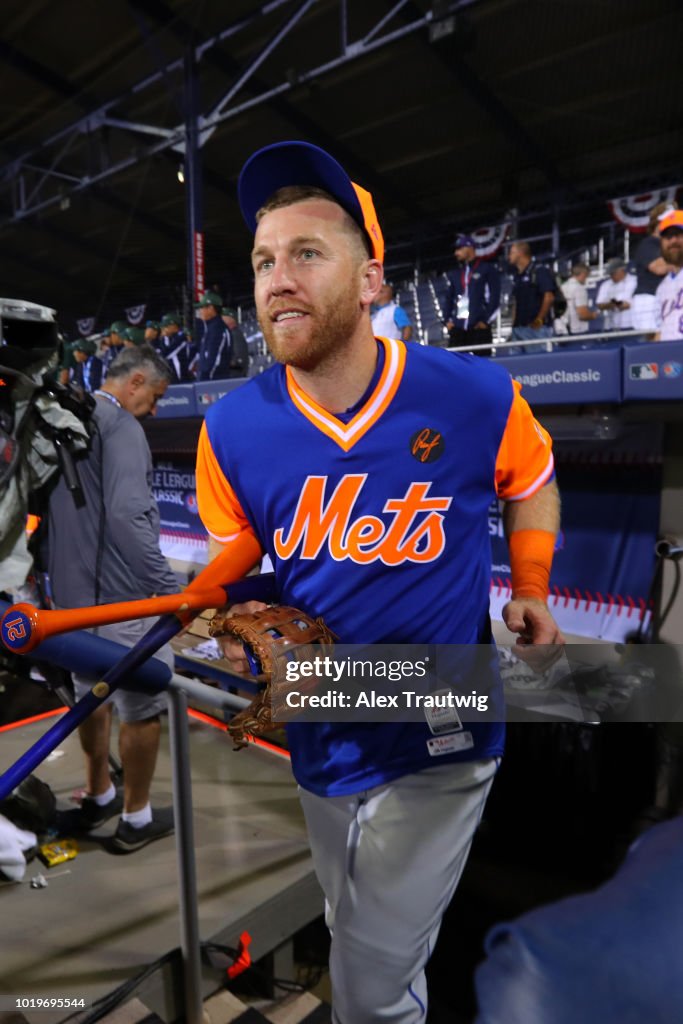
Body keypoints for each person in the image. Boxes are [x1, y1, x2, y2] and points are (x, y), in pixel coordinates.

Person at [194, 140, 564, 1024]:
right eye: (262, 260)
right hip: (322, 712)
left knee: (365, 983)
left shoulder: (471, 394)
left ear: (369, 282)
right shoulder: (233, 429)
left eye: (307, 254)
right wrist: (223, 618)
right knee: (354, 928)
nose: (278, 277)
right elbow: (232, 563)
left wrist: (535, 583)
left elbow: (534, 480)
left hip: (440, 709)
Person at [48, 345, 177, 853]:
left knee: (90, 701)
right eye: (155, 398)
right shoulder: (120, 425)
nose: (155, 410)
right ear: (136, 381)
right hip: (124, 605)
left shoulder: (66, 420)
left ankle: (100, 793)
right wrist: (169, 591)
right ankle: (136, 818)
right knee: (140, 709)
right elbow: (127, 515)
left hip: (71, 606)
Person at [443, 235, 501, 355]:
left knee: (482, 366)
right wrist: (447, 320)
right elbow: (448, 298)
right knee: (455, 366)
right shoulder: (455, 273)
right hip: (458, 328)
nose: (456, 253)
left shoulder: (487, 269)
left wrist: (485, 321)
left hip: (478, 327)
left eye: (459, 249)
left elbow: (495, 297)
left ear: (469, 248)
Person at [631, 201, 677, 336]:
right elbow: (659, 268)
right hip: (648, 300)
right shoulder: (649, 243)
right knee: (652, 348)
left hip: (666, 299)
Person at [508, 242, 556, 352]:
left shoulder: (539, 271)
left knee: (538, 366)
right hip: (518, 329)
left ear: (520, 253)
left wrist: (539, 320)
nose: (509, 256)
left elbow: (549, 297)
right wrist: (513, 326)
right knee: (516, 366)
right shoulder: (517, 276)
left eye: (511, 253)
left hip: (536, 329)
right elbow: (516, 302)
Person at [655, 209, 683, 341]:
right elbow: (661, 330)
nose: (673, 241)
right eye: (668, 237)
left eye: (678, 234)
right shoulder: (662, 287)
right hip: (669, 355)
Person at [195, 290, 232, 380]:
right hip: (210, 383)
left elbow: (215, 361)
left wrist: (205, 383)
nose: (200, 311)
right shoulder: (211, 327)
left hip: (214, 384)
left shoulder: (218, 328)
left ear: (211, 308)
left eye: (202, 308)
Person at [595, 258, 637, 331]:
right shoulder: (606, 284)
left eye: (613, 273)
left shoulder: (634, 281)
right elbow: (600, 304)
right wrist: (614, 303)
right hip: (611, 326)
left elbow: (626, 305)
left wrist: (612, 303)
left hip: (630, 324)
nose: (611, 276)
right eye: (610, 274)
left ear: (621, 270)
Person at [560, 263, 600, 335]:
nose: (586, 278)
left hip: (563, 329)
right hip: (578, 331)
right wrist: (594, 315)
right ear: (583, 274)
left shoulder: (563, 287)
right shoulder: (579, 288)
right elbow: (582, 315)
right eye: (587, 276)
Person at [159, 312, 196, 382]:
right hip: (171, 377)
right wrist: (165, 337)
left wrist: (164, 337)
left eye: (166, 326)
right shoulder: (168, 337)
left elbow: (166, 354)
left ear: (174, 325)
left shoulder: (182, 337)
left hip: (182, 377)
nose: (163, 329)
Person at [220, 306, 250, 376]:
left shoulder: (236, 335)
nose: (221, 319)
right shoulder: (229, 335)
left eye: (223, 316)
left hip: (235, 378)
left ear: (231, 319)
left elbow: (239, 361)